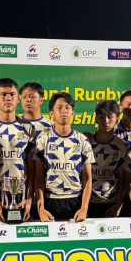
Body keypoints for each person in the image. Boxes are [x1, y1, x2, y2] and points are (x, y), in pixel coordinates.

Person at [0, 78, 35, 221]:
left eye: (12, 95)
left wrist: (29, 198)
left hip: (21, 194)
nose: (8, 98)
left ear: (18, 99)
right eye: (3, 95)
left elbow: (32, 167)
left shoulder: (28, 128)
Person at [34, 92, 94, 221]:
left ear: (73, 113)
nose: (64, 111)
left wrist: (84, 208)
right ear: (51, 114)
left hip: (76, 202)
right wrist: (41, 208)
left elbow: (88, 178)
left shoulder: (82, 140)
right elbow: (38, 176)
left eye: (67, 107)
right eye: (59, 107)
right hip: (50, 202)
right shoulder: (43, 140)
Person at [87, 100, 128, 218]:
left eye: (110, 117)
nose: (106, 121)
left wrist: (118, 204)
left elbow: (122, 178)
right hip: (87, 202)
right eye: (101, 117)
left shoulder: (122, 146)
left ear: (117, 119)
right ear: (96, 119)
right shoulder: (86, 141)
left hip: (111, 203)